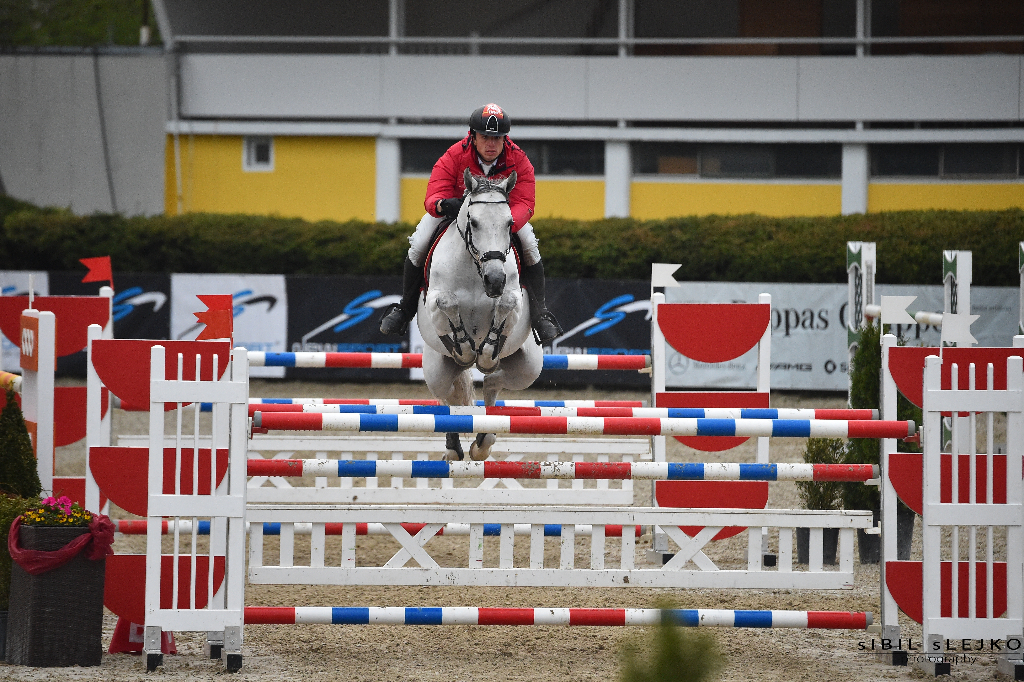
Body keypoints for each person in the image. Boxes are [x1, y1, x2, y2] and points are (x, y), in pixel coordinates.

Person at [379, 103, 563, 343]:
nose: (491, 144)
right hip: (456, 215)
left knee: (530, 245)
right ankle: (404, 309)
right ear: (473, 136)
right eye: (485, 137)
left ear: (505, 139)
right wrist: (445, 205)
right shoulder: (455, 154)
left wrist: (504, 223)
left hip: (500, 220)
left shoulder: (518, 159)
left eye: (497, 138)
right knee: (419, 242)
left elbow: (525, 201)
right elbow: (434, 194)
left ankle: (540, 315)